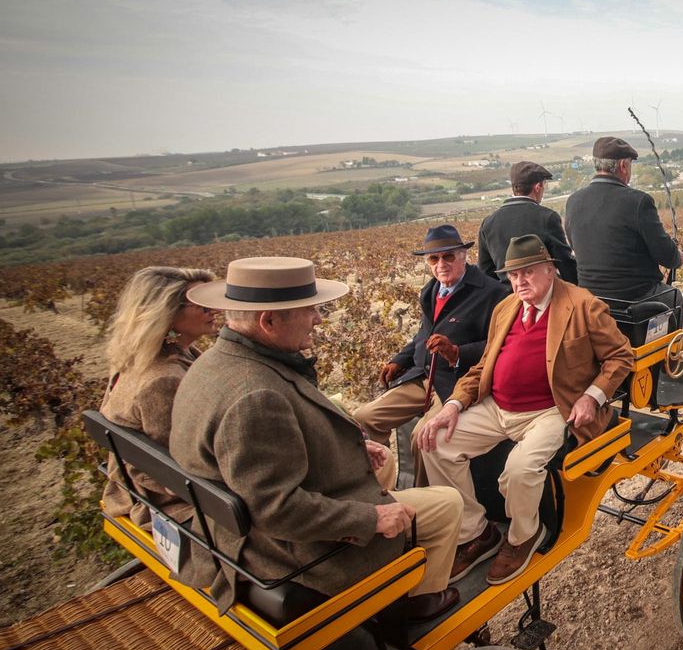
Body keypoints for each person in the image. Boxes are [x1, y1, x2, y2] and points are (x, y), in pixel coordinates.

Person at [173, 257, 466, 622]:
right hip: (285, 556)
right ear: (269, 321)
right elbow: (276, 509)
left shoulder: (211, 364)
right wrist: (370, 518)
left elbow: (265, 458)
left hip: (234, 531)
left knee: (387, 464)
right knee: (447, 504)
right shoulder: (256, 396)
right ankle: (408, 605)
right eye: (309, 310)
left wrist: (352, 445)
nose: (318, 319)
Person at [416, 236, 634, 586]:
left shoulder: (582, 305)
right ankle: (477, 532)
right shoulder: (506, 308)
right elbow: (483, 366)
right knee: (437, 440)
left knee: (519, 469)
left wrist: (592, 397)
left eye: (528, 272)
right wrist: (454, 405)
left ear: (550, 269)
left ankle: (523, 536)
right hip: (496, 407)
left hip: (552, 409)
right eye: (514, 275)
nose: (520, 282)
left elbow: (621, 357)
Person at [98, 266, 220, 587]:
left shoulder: (145, 359)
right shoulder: (164, 379)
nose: (214, 309)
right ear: (167, 311)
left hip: (142, 489)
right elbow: (188, 468)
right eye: (201, 303)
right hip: (176, 506)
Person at [353, 225, 509, 450]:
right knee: (364, 418)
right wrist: (400, 360)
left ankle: (426, 486)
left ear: (464, 256)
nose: (441, 265)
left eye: (448, 257)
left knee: (423, 437)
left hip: (456, 382)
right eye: (433, 259)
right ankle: (380, 476)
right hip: (422, 376)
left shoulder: (492, 292)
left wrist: (457, 353)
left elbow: (500, 344)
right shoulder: (431, 290)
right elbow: (423, 334)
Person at [563, 136, 681, 302]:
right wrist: (677, 256)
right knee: (676, 298)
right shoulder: (638, 202)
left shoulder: (573, 201)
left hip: (590, 300)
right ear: (623, 166)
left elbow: (575, 244)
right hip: (636, 298)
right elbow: (667, 256)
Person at [478, 161, 578, 284]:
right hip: (542, 295)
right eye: (544, 185)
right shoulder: (547, 217)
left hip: (506, 298)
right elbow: (565, 264)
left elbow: (485, 272)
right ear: (538, 187)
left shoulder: (488, 223)